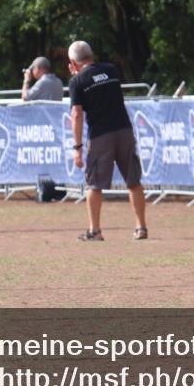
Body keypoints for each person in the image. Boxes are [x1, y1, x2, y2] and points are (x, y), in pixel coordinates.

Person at [68, 41, 148, 241]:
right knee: (133, 180)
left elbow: (76, 114)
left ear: (73, 62)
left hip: (100, 135)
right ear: (92, 55)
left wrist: (77, 147)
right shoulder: (112, 70)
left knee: (94, 184)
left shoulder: (77, 81)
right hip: (124, 130)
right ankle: (141, 228)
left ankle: (95, 231)